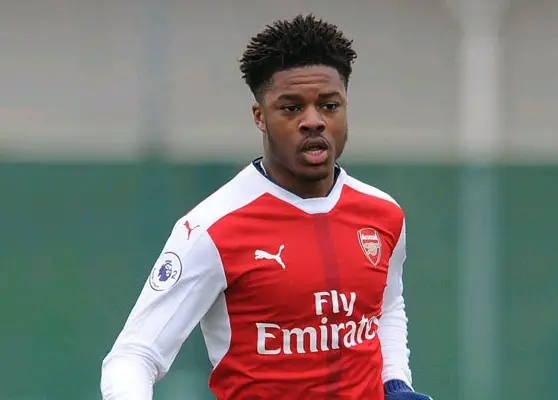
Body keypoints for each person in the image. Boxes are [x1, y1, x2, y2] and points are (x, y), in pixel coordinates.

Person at [100, 13, 432, 400]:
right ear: (261, 117)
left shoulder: (383, 214)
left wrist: (396, 384)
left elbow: (385, 309)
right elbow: (134, 356)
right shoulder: (212, 229)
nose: (313, 121)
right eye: (291, 108)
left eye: (329, 105)